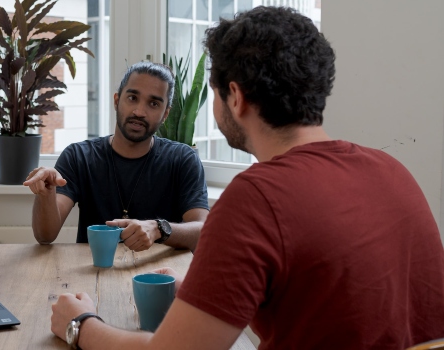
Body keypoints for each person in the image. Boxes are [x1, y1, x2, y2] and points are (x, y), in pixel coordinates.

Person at [49, 6, 444, 350]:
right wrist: (208, 296)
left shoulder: (256, 198)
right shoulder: (393, 172)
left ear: (234, 98)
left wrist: (80, 324)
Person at [24, 61, 209, 252]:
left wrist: (159, 228)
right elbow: (45, 236)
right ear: (116, 100)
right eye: (132, 98)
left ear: (165, 115)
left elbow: (203, 231)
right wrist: (46, 195)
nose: (139, 112)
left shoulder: (183, 159)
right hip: (94, 275)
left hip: (158, 277)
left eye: (153, 103)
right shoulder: (79, 156)